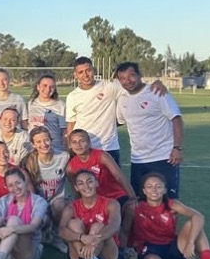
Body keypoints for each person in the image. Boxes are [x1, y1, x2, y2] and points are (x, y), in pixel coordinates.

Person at [65, 56, 167, 164]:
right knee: (83, 175)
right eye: (81, 72)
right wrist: (70, 147)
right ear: (75, 75)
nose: (85, 75)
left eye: (88, 70)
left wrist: (155, 84)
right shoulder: (72, 96)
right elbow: (71, 124)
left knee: (113, 175)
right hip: (84, 148)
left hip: (108, 147)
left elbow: (134, 87)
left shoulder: (109, 87)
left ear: (93, 70)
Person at [114, 61, 184, 198]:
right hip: (138, 160)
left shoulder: (156, 92)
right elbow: (118, 121)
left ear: (139, 75)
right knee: (139, 202)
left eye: (131, 76)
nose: (127, 81)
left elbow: (176, 119)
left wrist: (177, 148)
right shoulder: (122, 99)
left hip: (163, 157)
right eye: (122, 78)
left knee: (167, 201)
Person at [51, 169, 125, 259]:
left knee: (97, 226)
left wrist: (94, 241)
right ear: (76, 188)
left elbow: (114, 226)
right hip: (78, 257)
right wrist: (81, 237)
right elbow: (61, 231)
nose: (86, 186)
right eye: (81, 183)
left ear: (96, 183)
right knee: (73, 224)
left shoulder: (111, 203)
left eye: (89, 181)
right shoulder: (71, 207)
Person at [22, 126, 72, 251]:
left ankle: (58, 237)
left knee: (59, 205)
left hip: (58, 200)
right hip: (39, 202)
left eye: (46, 140)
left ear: (51, 139)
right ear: (33, 144)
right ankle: (42, 236)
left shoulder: (63, 157)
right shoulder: (29, 162)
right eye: (38, 142)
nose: (44, 144)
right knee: (39, 221)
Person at [65, 129, 134, 206]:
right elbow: (76, 190)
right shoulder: (70, 168)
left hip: (115, 196)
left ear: (89, 142)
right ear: (70, 145)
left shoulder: (102, 156)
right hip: (93, 201)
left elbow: (119, 177)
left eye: (82, 141)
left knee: (130, 207)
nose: (78, 145)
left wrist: (132, 197)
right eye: (74, 142)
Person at [27, 74, 67, 154]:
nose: (48, 89)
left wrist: (66, 150)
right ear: (38, 87)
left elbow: (64, 131)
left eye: (51, 87)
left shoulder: (60, 105)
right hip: (36, 150)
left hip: (55, 149)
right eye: (44, 85)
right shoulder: (31, 103)